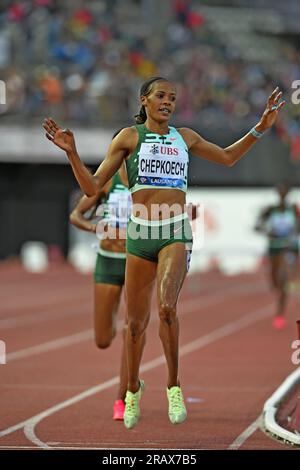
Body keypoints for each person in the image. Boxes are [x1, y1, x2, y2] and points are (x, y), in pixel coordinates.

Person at [43, 76, 284, 429]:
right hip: (140, 235)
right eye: (160, 96)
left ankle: (173, 386)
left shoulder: (184, 137)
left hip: (174, 231)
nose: (167, 101)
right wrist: (72, 153)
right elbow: (92, 187)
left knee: (167, 307)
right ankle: (132, 389)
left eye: (172, 97)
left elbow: (229, 158)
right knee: (135, 325)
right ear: (144, 100)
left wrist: (260, 128)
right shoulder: (128, 138)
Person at [69, 154, 136, 420]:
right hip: (108, 261)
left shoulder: (148, 180)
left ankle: (122, 398)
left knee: (131, 333)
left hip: (137, 263)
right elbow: (76, 215)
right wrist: (96, 229)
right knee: (103, 340)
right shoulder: (108, 181)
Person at [255, 181, 300, 330]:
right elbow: (258, 226)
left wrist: (293, 232)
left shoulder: (293, 209)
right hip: (274, 247)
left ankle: (280, 313)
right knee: (275, 282)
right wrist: (268, 231)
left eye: (285, 192)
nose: (282, 195)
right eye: (280, 192)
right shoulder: (271, 210)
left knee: (284, 280)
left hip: (288, 248)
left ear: (287, 194)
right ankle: (281, 288)